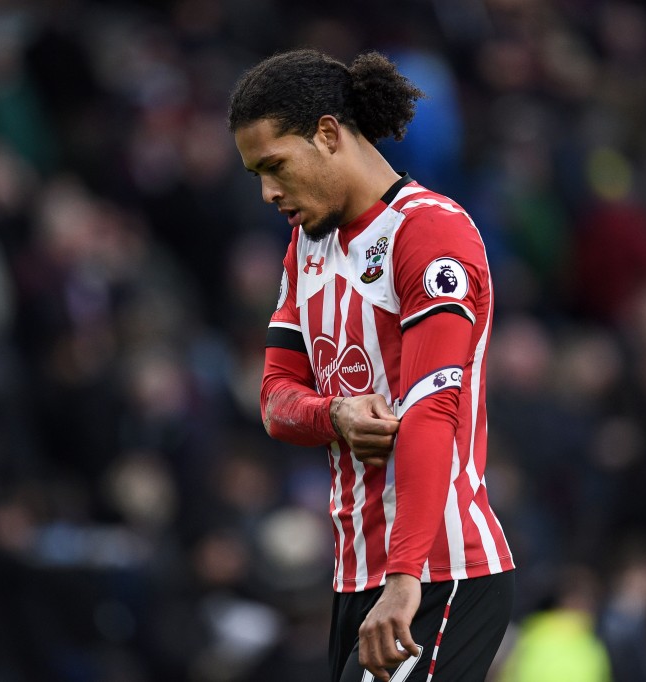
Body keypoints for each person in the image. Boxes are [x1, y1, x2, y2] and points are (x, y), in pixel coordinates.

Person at [228, 49, 516, 682]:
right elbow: (275, 398)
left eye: (275, 166)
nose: (268, 192)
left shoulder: (430, 235)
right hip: (357, 578)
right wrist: (334, 414)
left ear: (328, 134)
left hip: (435, 571)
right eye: (256, 174)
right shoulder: (306, 248)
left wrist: (404, 577)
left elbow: (432, 410)